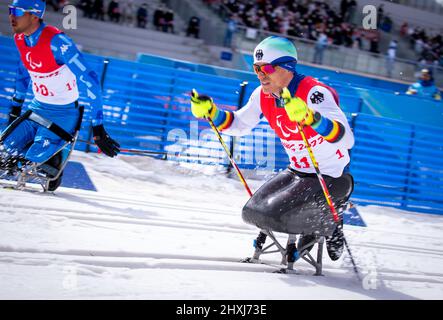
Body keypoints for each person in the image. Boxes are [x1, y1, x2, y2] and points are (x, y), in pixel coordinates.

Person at [190, 36, 355, 265]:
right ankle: (317, 221)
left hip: (328, 174)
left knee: (275, 214)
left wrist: (312, 119)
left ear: (287, 67)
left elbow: (346, 139)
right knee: (253, 211)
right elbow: (239, 124)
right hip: (297, 170)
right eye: (256, 68)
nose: (260, 74)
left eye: (266, 68)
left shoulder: (313, 92)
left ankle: (330, 219)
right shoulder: (261, 94)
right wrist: (212, 112)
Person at [3, 0, 120, 191]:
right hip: (36, 108)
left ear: (34, 15)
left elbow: (90, 80)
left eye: (17, 11)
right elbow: (24, 71)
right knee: (4, 155)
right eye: (10, 10)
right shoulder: (19, 39)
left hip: (63, 114)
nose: (11, 16)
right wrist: (16, 108)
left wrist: (98, 129)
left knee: (24, 165)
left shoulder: (58, 42)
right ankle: (43, 151)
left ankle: (54, 160)